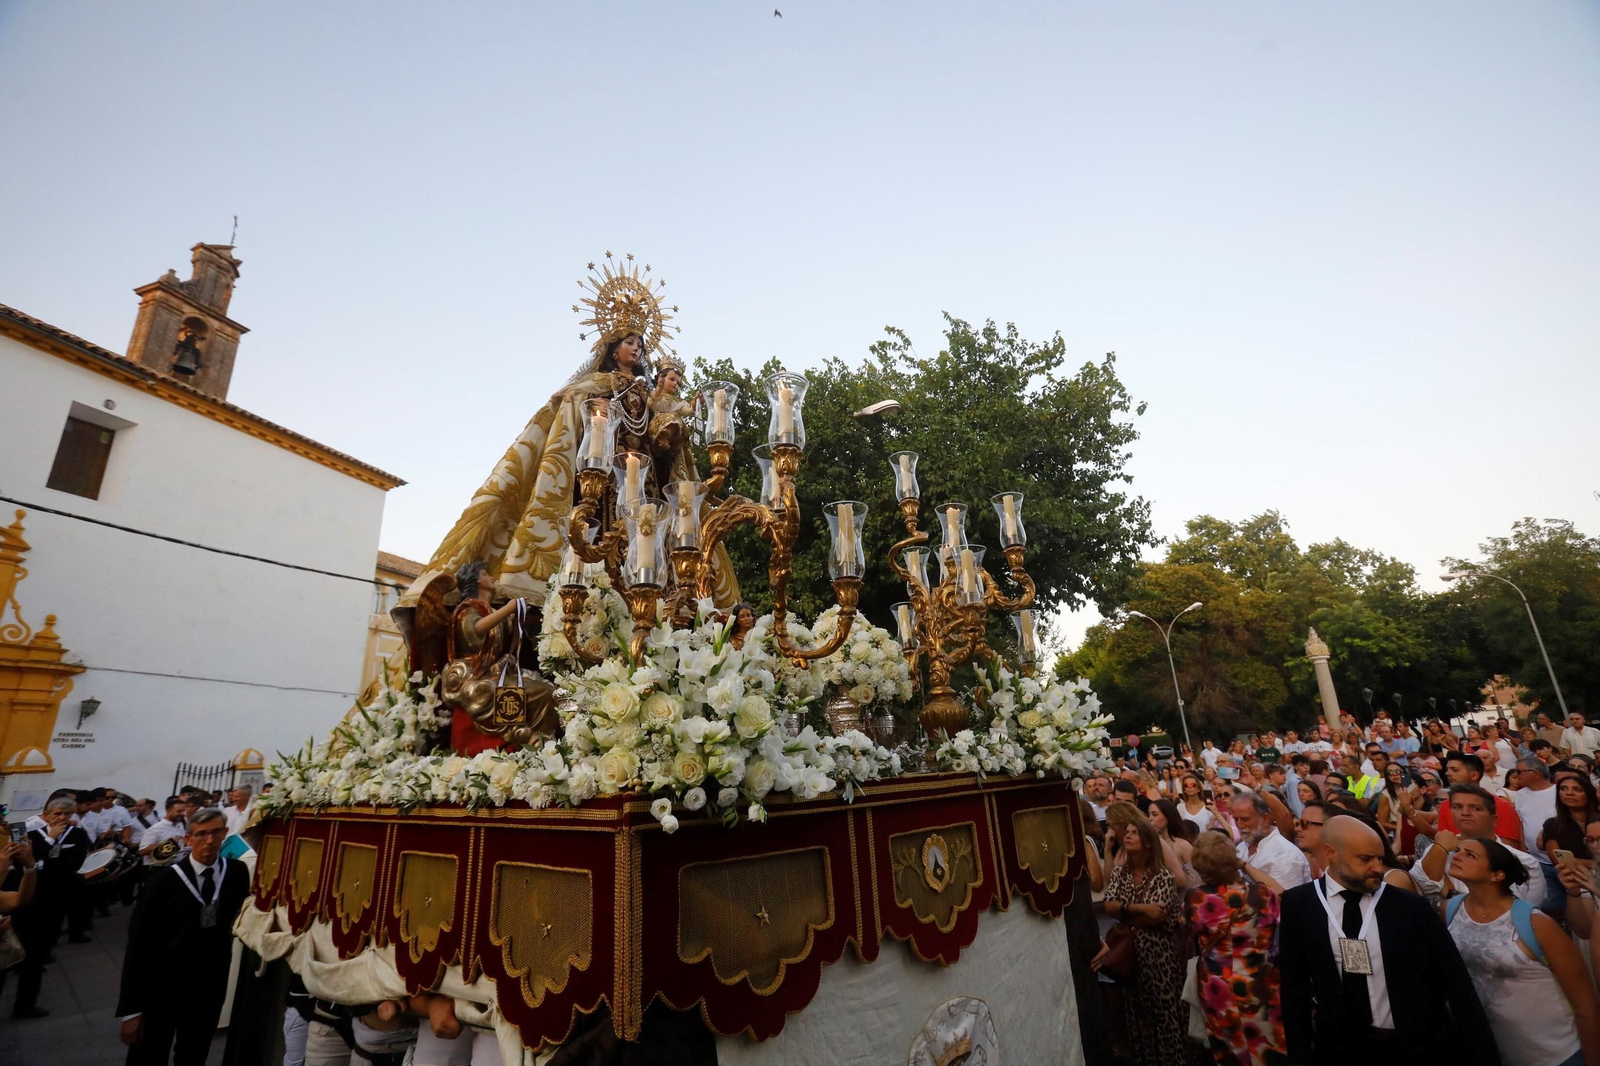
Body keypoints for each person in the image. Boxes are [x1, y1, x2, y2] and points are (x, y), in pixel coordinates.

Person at [1278, 816, 1499, 1063]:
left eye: (1380, 858)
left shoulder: (1410, 906)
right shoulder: (1298, 904)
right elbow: (1293, 987)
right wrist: (1299, 1055)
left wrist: (1484, 1055)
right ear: (1331, 853)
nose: (1377, 867)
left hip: (1414, 1048)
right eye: (1365, 859)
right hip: (1340, 1050)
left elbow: (1456, 984)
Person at [1445, 837, 1600, 1066]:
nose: (1457, 855)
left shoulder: (1536, 923)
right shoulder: (1451, 909)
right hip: (1494, 1050)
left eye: (1470, 854)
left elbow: (1586, 1005)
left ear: (1497, 875)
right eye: (1457, 850)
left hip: (1555, 1055)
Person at [118, 807, 250, 1065]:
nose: (209, 841)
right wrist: (131, 1010)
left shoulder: (236, 873)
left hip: (208, 987)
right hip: (162, 988)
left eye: (215, 833)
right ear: (188, 839)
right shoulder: (162, 882)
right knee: (149, 1055)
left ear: (225, 833)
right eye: (201, 834)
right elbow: (138, 946)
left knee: (194, 1054)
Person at [1185, 831, 1287, 1065]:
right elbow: (1280, 892)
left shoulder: (1195, 899)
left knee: (1229, 1052)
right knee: (1267, 1047)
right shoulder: (1261, 895)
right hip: (1259, 984)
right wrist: (1242, 864)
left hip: (1217, 987)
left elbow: (1191, 930)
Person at [1100, 817, 1183, 1066]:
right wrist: (1139, 909)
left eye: (1134, 833)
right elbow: (1109, 905)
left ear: (1147, 842)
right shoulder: (1119, 873)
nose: (1127, 836)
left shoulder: (1163, 876)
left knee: (1166, 1017)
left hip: (1160, 959)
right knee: (1138, 1019)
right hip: (1131, 959)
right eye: (1127, 832)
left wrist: (1125, 914)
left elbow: (1158, 918)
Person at [11, 796, 93, 1018]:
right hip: (27, 898)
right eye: (57, 814)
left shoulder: (77, 835)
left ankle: (25, 1003)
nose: (62, 818)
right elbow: (21, 862)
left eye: (67, 814)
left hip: (55, 900)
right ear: (46, 815)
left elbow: (72, 864)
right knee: (16, 948)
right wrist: (48, 842)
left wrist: (40, 863)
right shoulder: (29, 834)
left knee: (39, 954)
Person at [1411, 784, 1544, 907]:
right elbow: (1419, 884)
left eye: (1475, 808)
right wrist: (1440, 848)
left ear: (1494, 820)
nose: (1465, 813)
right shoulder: (1440, 848)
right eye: (1457, 807)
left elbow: (1526, 909)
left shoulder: (1524, 861)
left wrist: (1447, 891)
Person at [1232, 792, 1311, 889]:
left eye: (1245, 819)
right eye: (1236, 819)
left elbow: (1286, 900)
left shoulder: (1285, 855)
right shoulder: (1242, 846)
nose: (1240, 825)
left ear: (1265, 819)